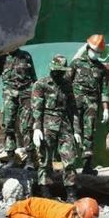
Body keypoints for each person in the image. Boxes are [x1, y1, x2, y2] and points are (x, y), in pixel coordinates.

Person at [32, 55, 81, 201]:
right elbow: (36, 108)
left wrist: (77, 130)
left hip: (64, 125)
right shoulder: (41, 84)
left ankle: (71, 193)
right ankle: (45, 192)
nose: (57, 73)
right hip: (47, 124)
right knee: (45, 160)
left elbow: (73, 109)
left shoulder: (67, 85)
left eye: (60, 71)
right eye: (56, 70)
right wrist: (37, 128)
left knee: (70, 159)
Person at [70, 34, 109, 176]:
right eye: (95, 51)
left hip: (91, 105)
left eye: (99, 52)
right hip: (75, 104)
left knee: (89, 134)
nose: (96, 54)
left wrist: (106, 109)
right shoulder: (76, 63)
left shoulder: (101, 69)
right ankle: (69, 166)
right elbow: (67, 82)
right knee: (72, 133)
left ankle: (87, 166)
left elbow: (104, 89)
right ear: (88, 48)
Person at [0, 48, 37, 170]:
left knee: (27, 126)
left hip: (26, 93)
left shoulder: (26, 55)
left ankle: (30, 160)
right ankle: (11, 159)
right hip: (9, 94)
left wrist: (37, 95)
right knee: (8, 126)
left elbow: (34, 77)